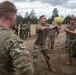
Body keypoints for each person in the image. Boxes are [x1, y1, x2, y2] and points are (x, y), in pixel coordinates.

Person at [0, 1, 34, 75]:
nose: (16, 20)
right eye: (16, 17)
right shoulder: (11, 39)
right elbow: (27, 70)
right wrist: (8, 36)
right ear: (11, 17)